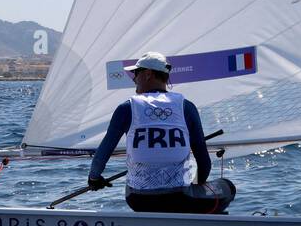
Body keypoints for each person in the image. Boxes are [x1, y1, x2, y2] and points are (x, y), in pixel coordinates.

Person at [87, 51, 235, 213]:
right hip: (181, 198)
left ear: (148, 74)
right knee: (227, 186)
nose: (133, 78)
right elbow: (204, 162)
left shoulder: (126, 108)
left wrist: (94, 178)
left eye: (136, 73)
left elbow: (104, 151)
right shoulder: (186, 107)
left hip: (137, 200)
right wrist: (197, 186)